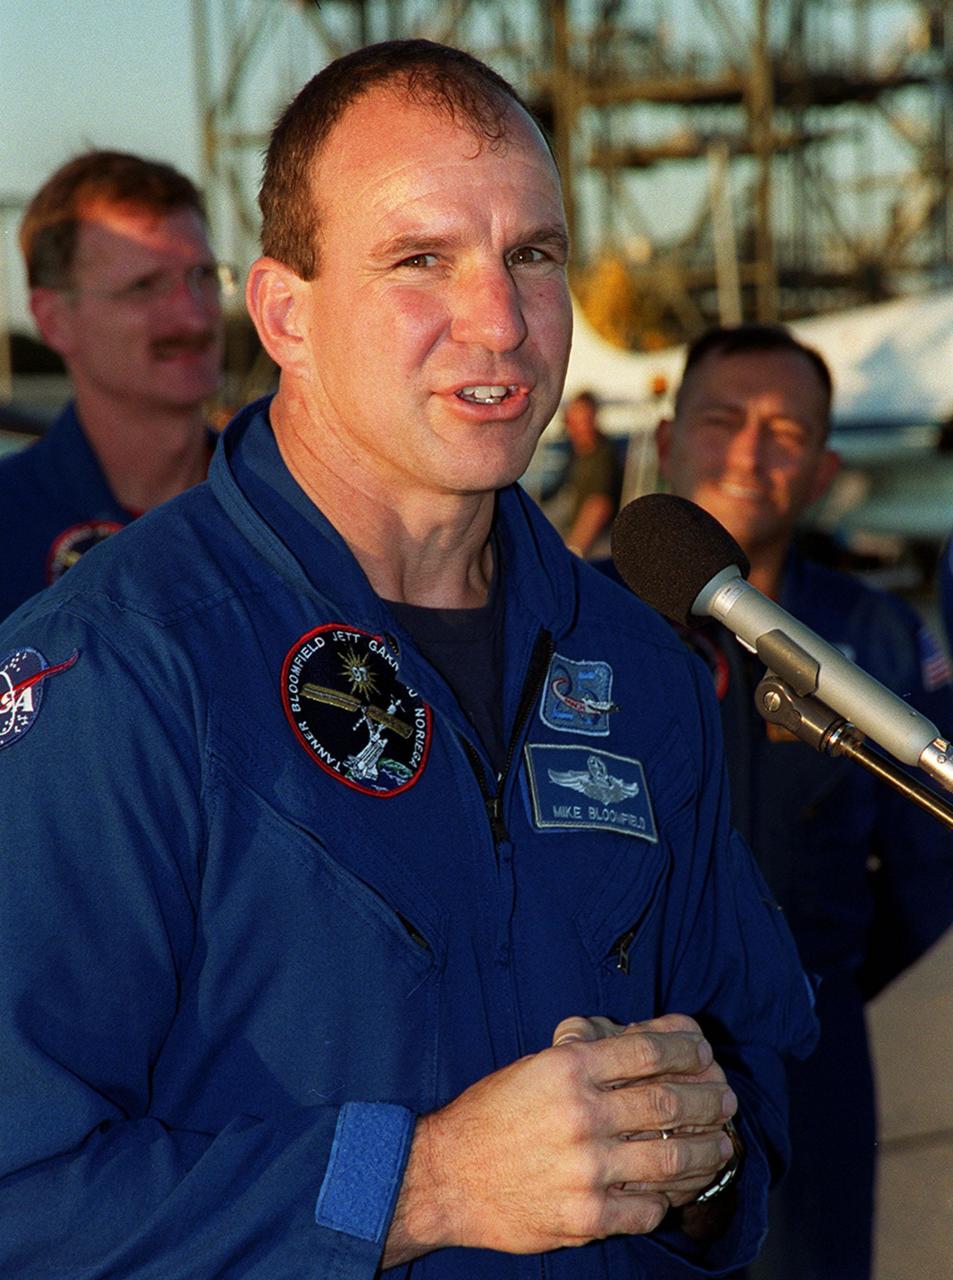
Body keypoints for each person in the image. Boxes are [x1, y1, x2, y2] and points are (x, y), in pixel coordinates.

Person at [0, 44, 817, 1278]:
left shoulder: (636, 665)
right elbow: (24, 1196)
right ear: (284, 314)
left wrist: (698, 1165)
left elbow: (750, 1081)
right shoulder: (115, 672)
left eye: (531, 255)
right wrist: (420, 1185)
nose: (498, 321)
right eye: (419, 259)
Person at [648, 323, 953, 1280]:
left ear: (821, 470)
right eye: (723, 419)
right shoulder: (576, 621)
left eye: (784, 432)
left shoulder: (876, 639)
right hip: (622, 1056)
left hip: (808, 1059)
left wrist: (802, 983)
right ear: (665, 441)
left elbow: (927, 868)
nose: (748, 452)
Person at [0, 149, 225, 618]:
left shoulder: (288, 510)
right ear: (53, 319)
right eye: (145, 285)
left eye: (201, 276)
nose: (193, 313)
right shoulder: (10, 525)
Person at [546, 389, 623, 557]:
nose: (577, 427)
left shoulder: (601, 455)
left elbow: (598, 506)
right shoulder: (576, 455)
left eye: (583, 420)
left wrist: (574, 552)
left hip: (595, 546)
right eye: (574, 420)